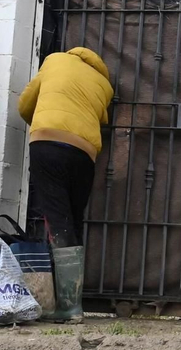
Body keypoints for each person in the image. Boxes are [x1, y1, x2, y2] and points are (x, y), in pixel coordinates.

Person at [18, 46, 113, 248]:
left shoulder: (55, 61)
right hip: (84, 153)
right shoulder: (105, 85)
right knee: (74, 218)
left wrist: (40, 125)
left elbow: (25, 105)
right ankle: (73, 276)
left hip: (47, 145)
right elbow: (103, 117)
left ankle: (63, 279)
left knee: (57, 218)